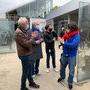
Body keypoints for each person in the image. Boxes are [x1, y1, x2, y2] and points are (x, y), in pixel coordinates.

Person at [15, 17, 40, 90]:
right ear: (22, 24)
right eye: (26, 23)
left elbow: (27, 40)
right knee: (25, 71)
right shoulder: (18, 32)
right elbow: (26, 44)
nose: (27, 24)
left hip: (27, 53)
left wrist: (32, 37)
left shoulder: (23, 30)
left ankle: (31, 82)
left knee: (29, 70)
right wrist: (32, 37)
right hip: (24, 55)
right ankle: (22, 87)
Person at [57, 23, 80, 90]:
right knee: (62, 67)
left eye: (68, 28)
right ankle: (62, 77)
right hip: (64, 54)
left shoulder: (77, 36)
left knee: (71, 70)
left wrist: (64, 43)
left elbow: (73, 45)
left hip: (72, 56)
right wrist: (61, 41)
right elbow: (62, 40)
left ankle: (70, 83)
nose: (66, 29)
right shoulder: (67, 34)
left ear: (72, 29)